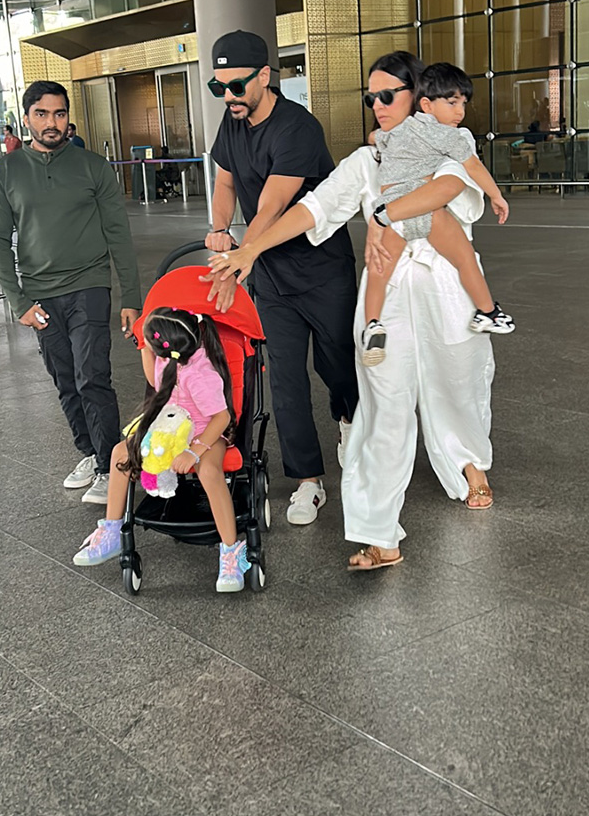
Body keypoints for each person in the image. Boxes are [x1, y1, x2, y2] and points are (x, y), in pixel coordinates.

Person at [210, 51, 497, 571]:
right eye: (372, 97)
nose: (378, 105)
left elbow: (447, 194)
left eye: (389, 95)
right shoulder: (367, 161)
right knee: (381, 407)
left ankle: (470, 463)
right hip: (385, 299)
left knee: (458, 381)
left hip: (446, 287)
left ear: (421, 99)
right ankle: (379, 531)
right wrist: (249, 249)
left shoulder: (451, 150)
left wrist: (385, 216)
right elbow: (312, 209)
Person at [205, 29, 359, 526]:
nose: (228, 96)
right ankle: (308, 482)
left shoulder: (298, 127)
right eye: (219, 87)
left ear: (265, 77)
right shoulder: (233, 123)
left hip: (321, 270)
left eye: (237, 85)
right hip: (271, 278)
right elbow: (226, 180)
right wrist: (218, 229)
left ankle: (348, 416)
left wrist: (245, 250)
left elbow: (274, 201)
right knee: (286, 378)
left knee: (338, 366)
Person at [0, 80, 141, 505]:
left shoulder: (92, 167)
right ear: (27, 118)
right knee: (65, 379)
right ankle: (90, 454)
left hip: (89, 286)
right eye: (41, 114)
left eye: (58, 113)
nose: (51, 123)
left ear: (68, 117)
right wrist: (18, 302)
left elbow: (118, 234)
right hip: (39, 295)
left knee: (92, 376)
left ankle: (113, 467)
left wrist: (131, 297)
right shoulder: (6, 172)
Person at [72, 307, 250, 592]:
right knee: (121, 453)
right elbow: (157, 383)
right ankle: (112, 531)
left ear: (166, 347)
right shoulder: (168, 359)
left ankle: (231, 550)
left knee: (209, 471)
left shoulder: (200, 375)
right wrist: (144, 349)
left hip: (207, 432)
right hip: (171, 428)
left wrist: (194, 451)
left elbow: (222, 417)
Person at [361, 62, 514, 367]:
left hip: (391, 210)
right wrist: (495, 195)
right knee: (465, 258)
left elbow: (373, 138)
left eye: (463, 103)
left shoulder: (397, 129)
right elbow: (473, 167)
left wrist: (378, 141)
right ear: (427, 105)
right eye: (452, 102)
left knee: (379, 271)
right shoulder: (452, 137)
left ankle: (373, 325)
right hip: (425, 208)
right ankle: (487, 312)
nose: (460, 112)